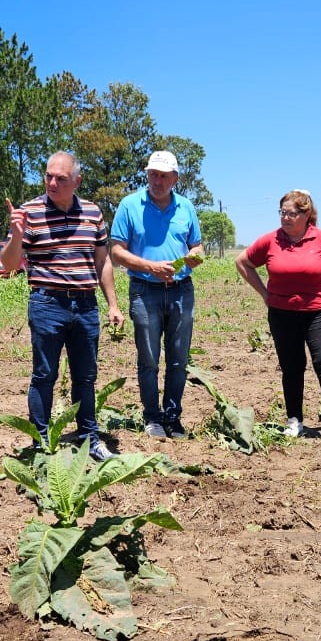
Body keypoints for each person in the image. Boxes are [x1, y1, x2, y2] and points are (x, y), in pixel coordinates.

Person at [0, 151, 123, 459]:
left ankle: (89, 438)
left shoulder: (93, 213)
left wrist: (113, 304)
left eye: (61, 178)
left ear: (77, 181)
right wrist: (16, 236)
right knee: (44, 374)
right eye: (48, 176)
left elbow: (102, 261)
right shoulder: (29, 212)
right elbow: (10, 263)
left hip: (85, 306)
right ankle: (40, 442)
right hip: (47, 304)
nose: (52, 183)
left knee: (86, 376)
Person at [235, 190, 321, 436]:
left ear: (306, 215)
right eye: (282, 213)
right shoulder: (270, 240)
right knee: (292, 367)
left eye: (292, 213)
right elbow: (242, 262)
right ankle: (294, 421)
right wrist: (265, 294)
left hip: (319, 313)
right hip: (282, 314)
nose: (285, 218)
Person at [110, 151, 204, 439]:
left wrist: (194, 257)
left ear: (175, 178)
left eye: (164, 176)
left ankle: (173, 417)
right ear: (147, 174)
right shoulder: (129, 206)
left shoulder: (186, 207)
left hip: (180, 291)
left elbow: (197, 247)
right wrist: (150, 266)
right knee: (149, 359)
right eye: (153, 174)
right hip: (144, 290)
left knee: (179, 359)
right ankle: (152, 416)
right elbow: (116, 251)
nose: (158, 180)